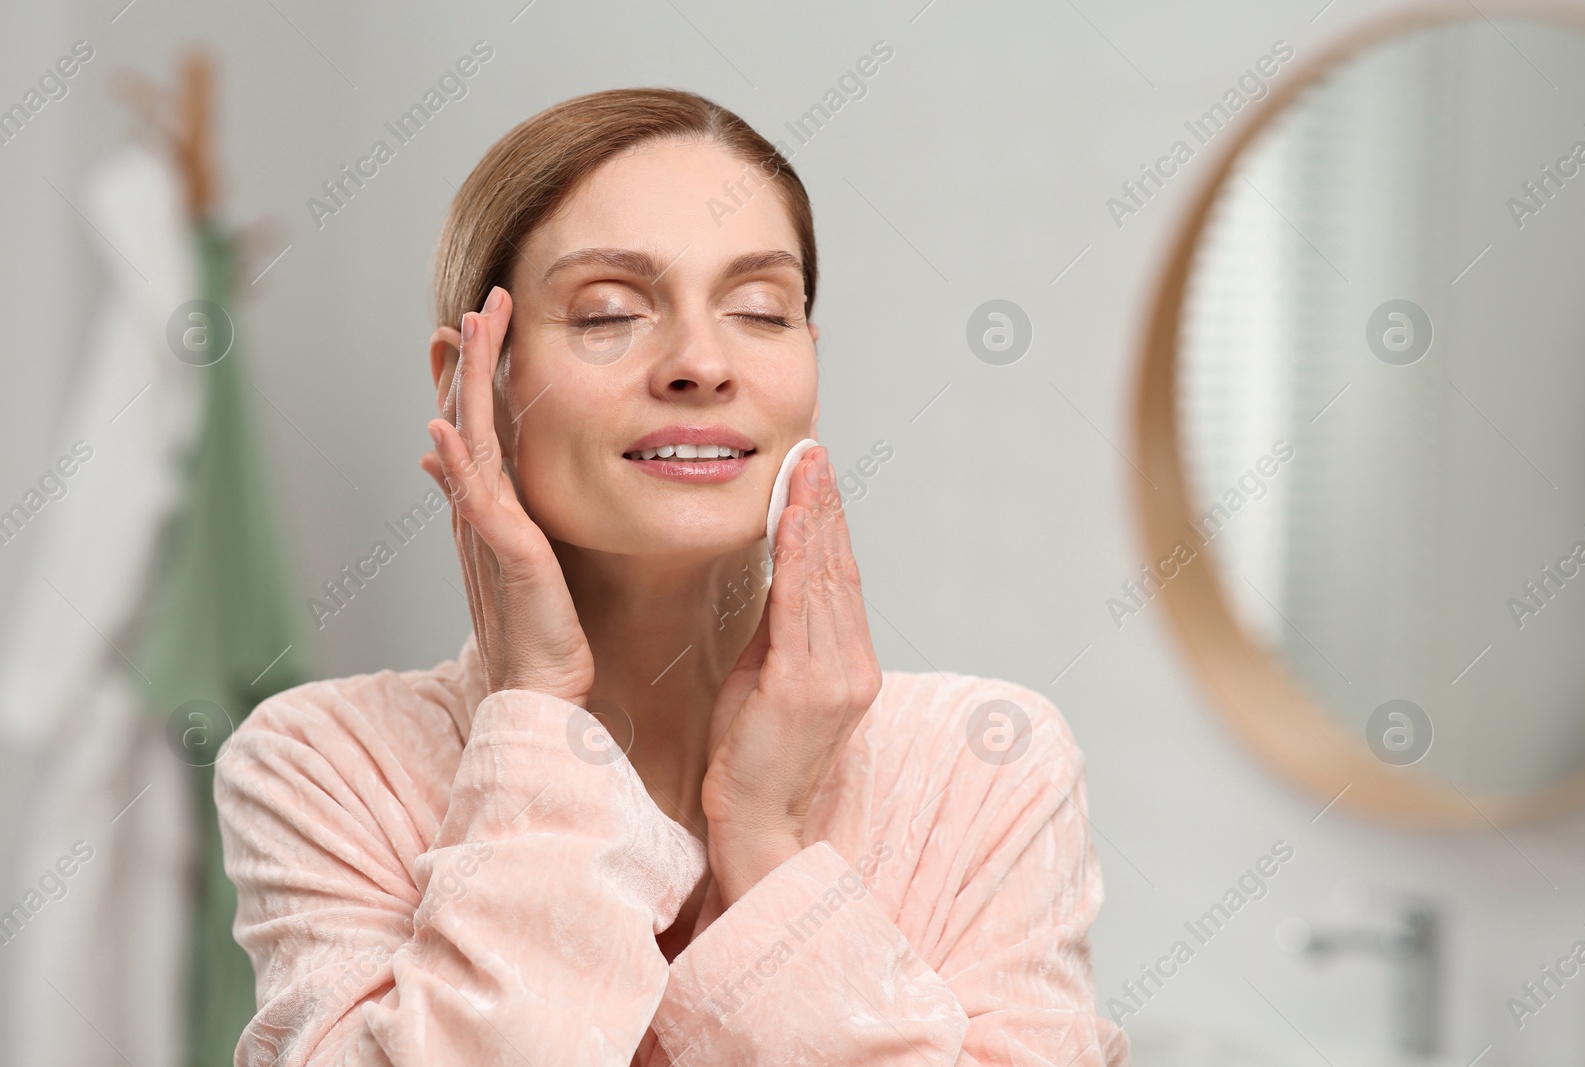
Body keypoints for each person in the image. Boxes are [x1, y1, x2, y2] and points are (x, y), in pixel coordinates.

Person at [215, 87, 1129, 1066]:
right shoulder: (323, 765)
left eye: (758, 310)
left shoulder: (985, 763)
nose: (700, 360)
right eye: (609, 311)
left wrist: (767, 839)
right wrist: (535, 719)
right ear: (470, 381)